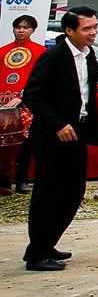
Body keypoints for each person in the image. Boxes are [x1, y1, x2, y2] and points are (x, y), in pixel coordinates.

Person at [21, 6, 98, 271]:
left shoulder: (87, 54)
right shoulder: (53, 57)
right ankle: (36, 254)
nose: (93, 32)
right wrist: (57, 124)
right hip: (54, 138)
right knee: (49, 194)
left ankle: (47, 243)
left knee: (73, 192)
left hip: (78, 134)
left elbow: (96, 75)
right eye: (87, 29)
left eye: (95, 27)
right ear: (69, 31)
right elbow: (33, 95)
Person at [0, 13, 45, 195]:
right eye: (18, 27)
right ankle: (3, 181)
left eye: (25, 27)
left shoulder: (41, 52)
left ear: (33, 30)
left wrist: (24, 96)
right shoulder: (2, 51)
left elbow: (42, 79)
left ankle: (22, 179)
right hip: (3, 104)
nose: (21, 30)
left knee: (25, 142)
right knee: (3, 144)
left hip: (26, 104)